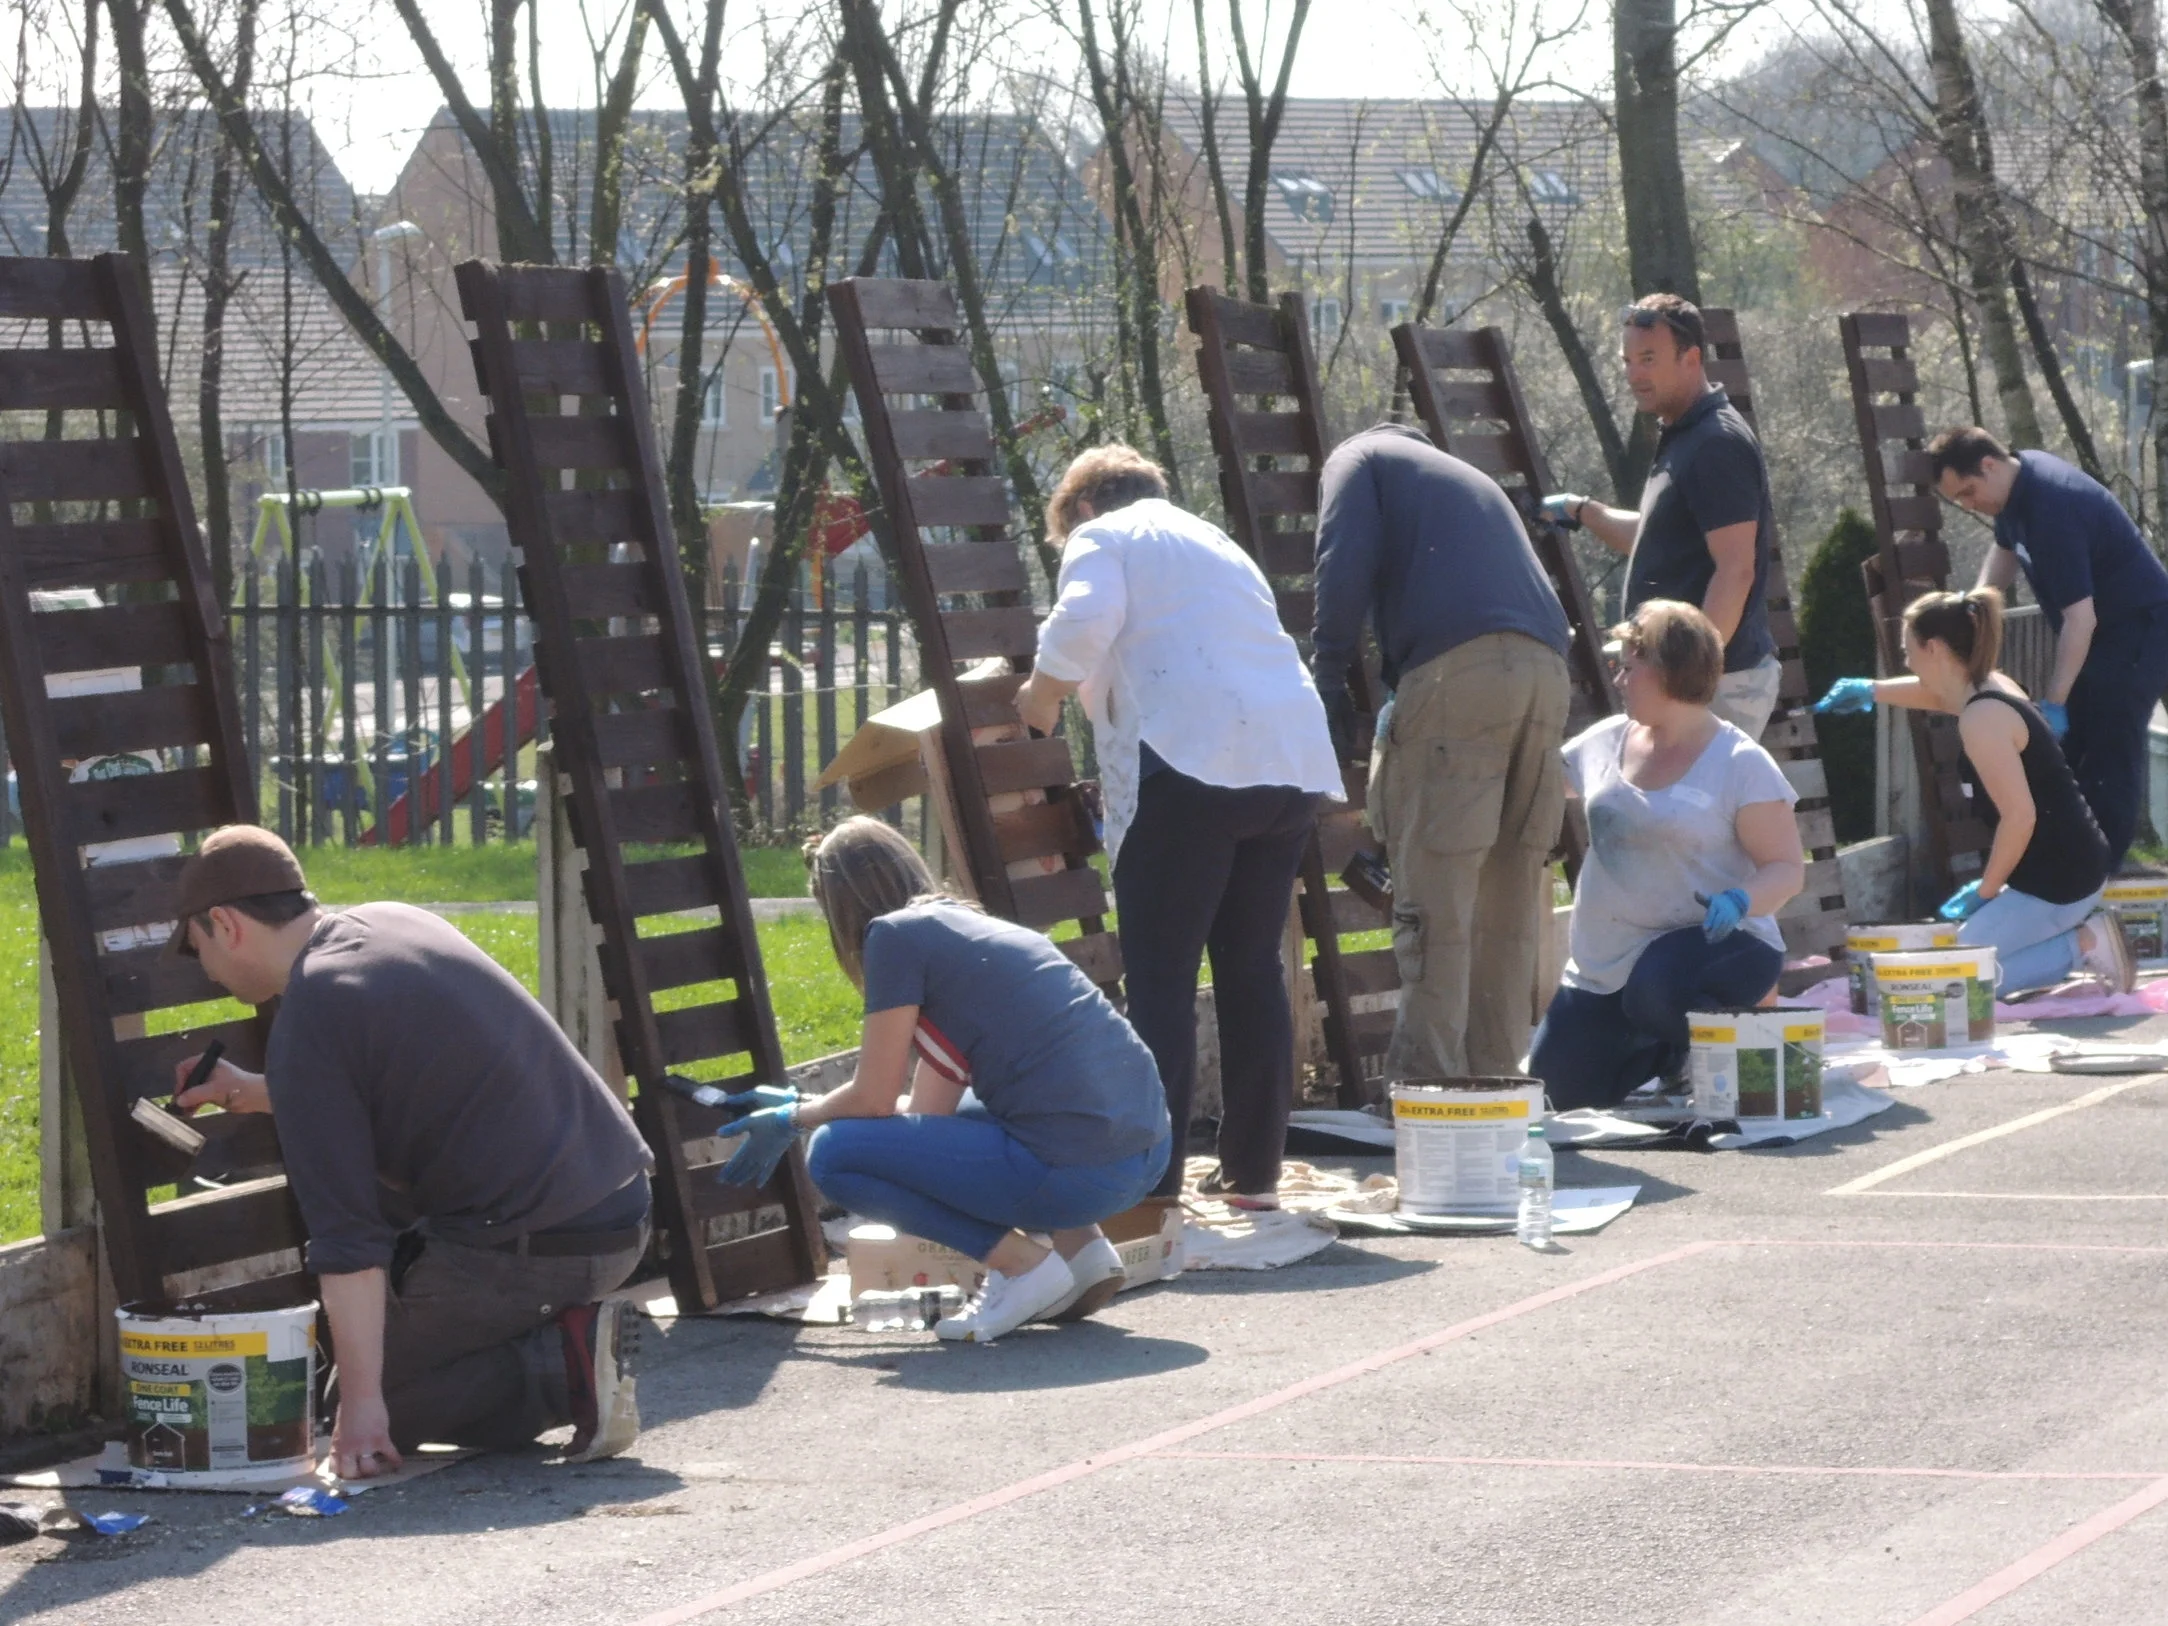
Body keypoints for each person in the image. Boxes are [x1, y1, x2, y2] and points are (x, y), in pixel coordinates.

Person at [168, 825, 651, 1478]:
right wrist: (251, 1091)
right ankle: (549, 1334)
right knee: (389, 1339)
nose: (206, 970)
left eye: (196, 948)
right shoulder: (390, 923)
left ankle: (562, 1363)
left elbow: (347, 1240)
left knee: (376, 1398)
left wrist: (363, 1406)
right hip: (619, 1206)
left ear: (225, 925)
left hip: (539, 1246)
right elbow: (384, 1083)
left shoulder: (309, 1020)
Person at [1010, 445, 1342, 1210]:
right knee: (1252, 969)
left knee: (1161, 979)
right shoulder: (1214, 541)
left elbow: (1085, 619)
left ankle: (1150, 1185)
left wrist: (1040, 695)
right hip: (1286, 766)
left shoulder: (1105, 536)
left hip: (1190, 764)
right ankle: (1253, 1174)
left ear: (1085, 509)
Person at [714, 818, 1172, 1344]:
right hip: (1146, 1155)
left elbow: (874, 1098)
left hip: (1081, 1173)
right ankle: (1085, 1253)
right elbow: (923, 1119)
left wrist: (794, 1117)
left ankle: (1022, 1266)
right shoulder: (967, 928)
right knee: (1006, 1108)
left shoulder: (890, 936)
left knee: (834, 1153)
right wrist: (814, 1102)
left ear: (840, 908)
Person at [1311, 422, 1573, 1080]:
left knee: (1437, 893)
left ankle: (1430, 1098)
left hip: (1460, 674)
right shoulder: (1462, 481)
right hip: (1546, 673)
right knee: (1508, 897)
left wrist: (1328, 679)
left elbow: (1341, 565)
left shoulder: (1357, 457)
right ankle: (1496, 1086)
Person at [1528, 601, 1806, 1111]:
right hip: (1605, 965)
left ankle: (1725, 1051)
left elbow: (1788, 868)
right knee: (1555, 1098)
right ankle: (1657, 1056)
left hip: (1717, 951)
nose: (1617, 680)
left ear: (1666, 670)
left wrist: (1742, 899)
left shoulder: (1741, 762)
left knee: (1656, 988)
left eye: (1628, 667)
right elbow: (1534, 779)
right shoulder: (1607, 740)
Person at [1814, 589, 2131, 996]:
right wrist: (1872, 690)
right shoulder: (1988, 686)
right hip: (2065, 867)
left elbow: (2021, 817)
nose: (1907, 663)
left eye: (1909, 652)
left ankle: (2086, 942)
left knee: (1946, 983)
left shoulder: (1982, 719)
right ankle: (2074, 941)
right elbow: (1936, 694)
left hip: (2060, 882)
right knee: (1957, 969)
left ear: (1935, 648)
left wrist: (1984, 891)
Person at [1541, 294, 1783, 739]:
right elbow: (1658, 539)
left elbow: (1736, 570)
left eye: (1649, 359)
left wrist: (1688, 683)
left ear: (1691, 358)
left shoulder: (1716, 443)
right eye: (1628, 360)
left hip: (1715, 686)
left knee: (1695, 811)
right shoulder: (1684, 435)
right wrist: (1584, 512)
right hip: (1685, 681)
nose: (1634, 374)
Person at [1926, 427, 2168, 867]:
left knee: (2111, 747)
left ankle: (2102, 872)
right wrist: (1976, 604)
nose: (1967, 504)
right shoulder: (2014, 487)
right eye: (1958, 500)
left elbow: (2081, 618)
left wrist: (2054, 703)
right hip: (2100, 633)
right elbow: (2004, 548)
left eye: (1967, 492)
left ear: (1988, 465)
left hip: (2139, 629)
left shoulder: (2052, 507)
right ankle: (2067, 862)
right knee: (2074, 748)